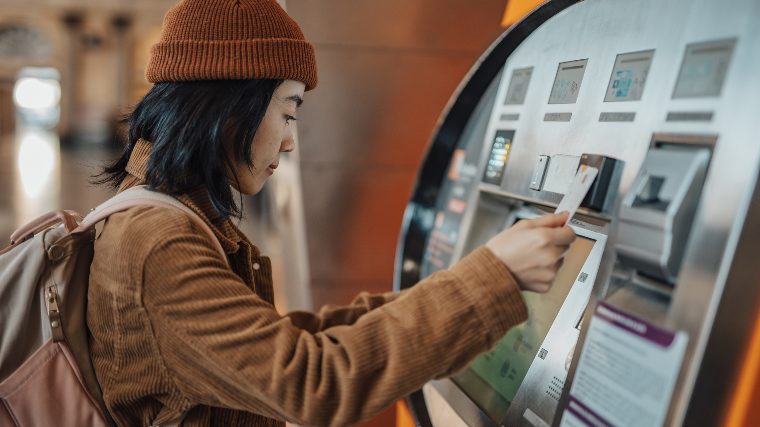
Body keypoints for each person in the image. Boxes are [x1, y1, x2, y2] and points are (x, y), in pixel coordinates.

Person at [88, 0, 576, 426]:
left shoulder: (164, 218)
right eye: (288, 111)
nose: (290, 141)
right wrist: (495, 278)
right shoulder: (159, 243)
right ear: (230, 109)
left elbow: (285, 343)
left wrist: (463, 283)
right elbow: (313, 382)